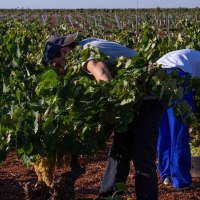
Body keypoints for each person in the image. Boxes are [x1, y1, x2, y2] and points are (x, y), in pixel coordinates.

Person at [43, 32, 166, 200]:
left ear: (64, 52)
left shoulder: (83, 56)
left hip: (148, 98)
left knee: (142, 156)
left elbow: (101, 72)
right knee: (119, 151)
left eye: (58, 64)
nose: (60, 70)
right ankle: (108, 197)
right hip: (132, 99)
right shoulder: (86, 45)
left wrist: (106, 111)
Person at [156, 49, 200, 190]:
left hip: (156, 74)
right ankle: (181, 181)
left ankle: (166, 174)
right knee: (179, 129)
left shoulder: (193, 55)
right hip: (178, 75)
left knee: (164, 128)